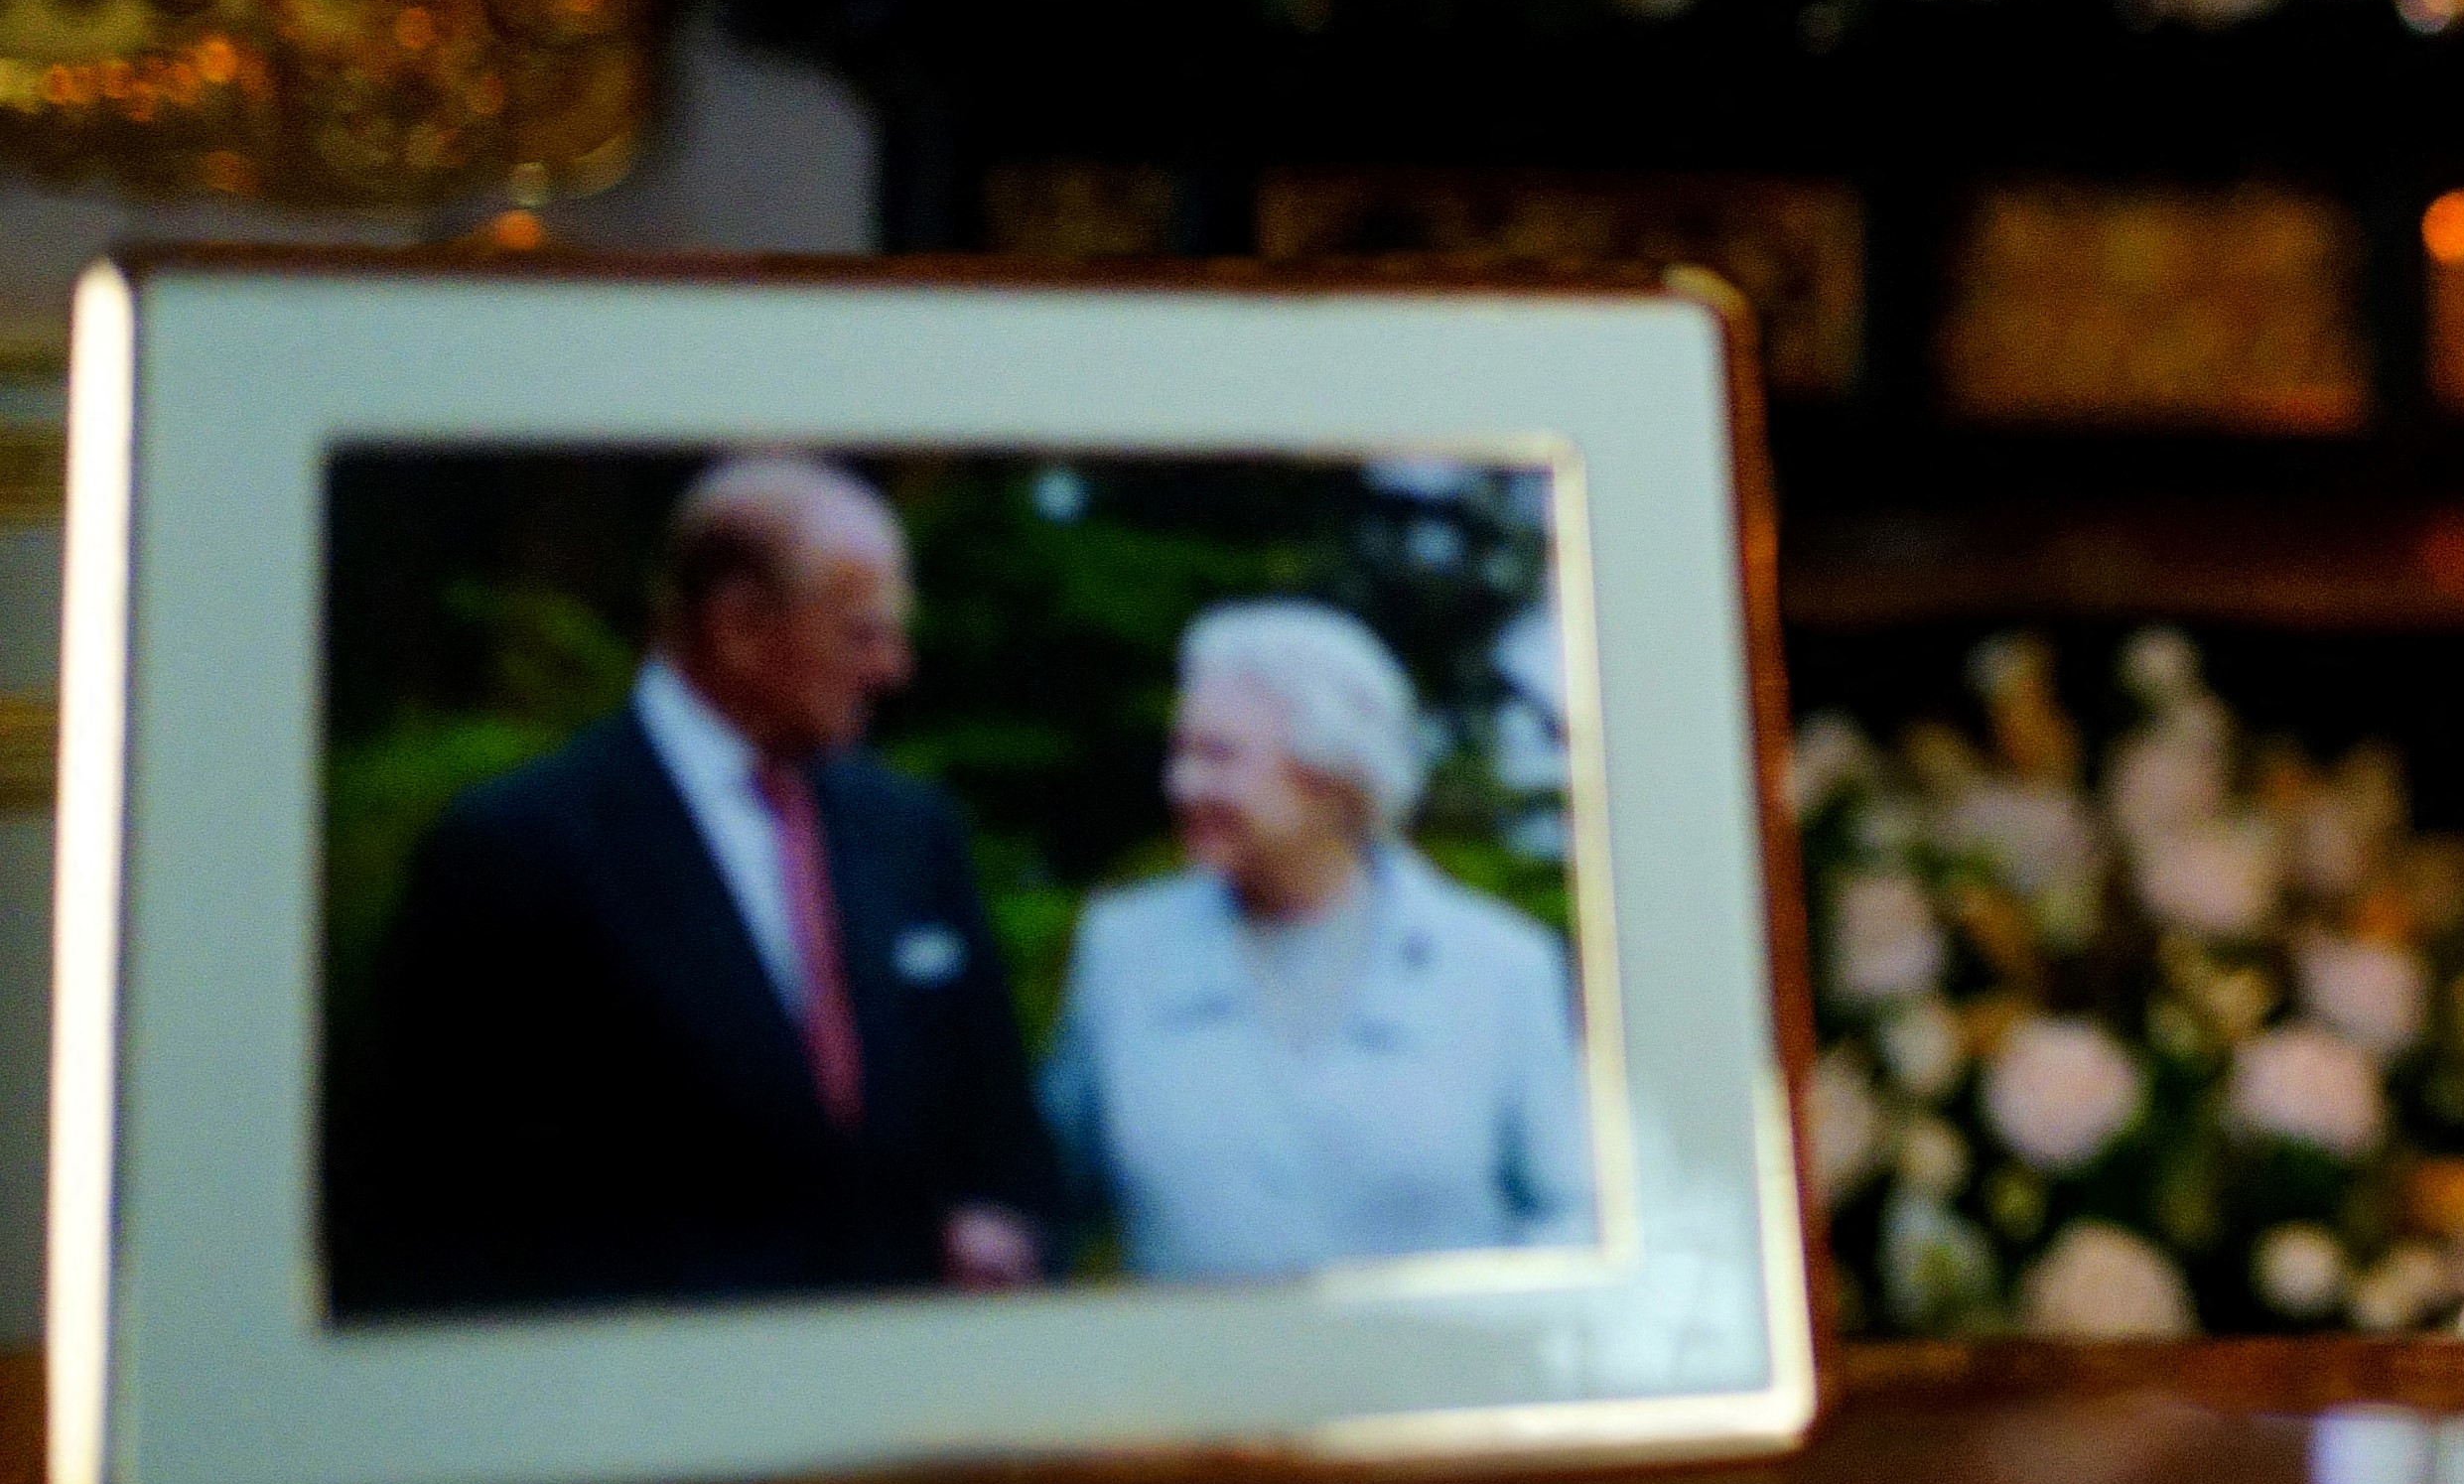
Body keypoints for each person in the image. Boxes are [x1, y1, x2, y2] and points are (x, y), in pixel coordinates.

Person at [333, 456, 1055, 1314]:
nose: (893, 667)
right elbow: (423, 1205)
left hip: (903, 1396)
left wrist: (1002, 1223)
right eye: (862, 632)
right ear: (739, 624)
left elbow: (1003, 1126)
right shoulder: (517, 849)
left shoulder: (912, 831)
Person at [1045, 599, 1595, 1280]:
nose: (1182, 784)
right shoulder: (1124, 951)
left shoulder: (1501, 966)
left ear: (1333, 777)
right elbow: (1046, 1202)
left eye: (1218, 756)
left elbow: (1573, 1215)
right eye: (1180, 752)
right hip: (1190, 1383)